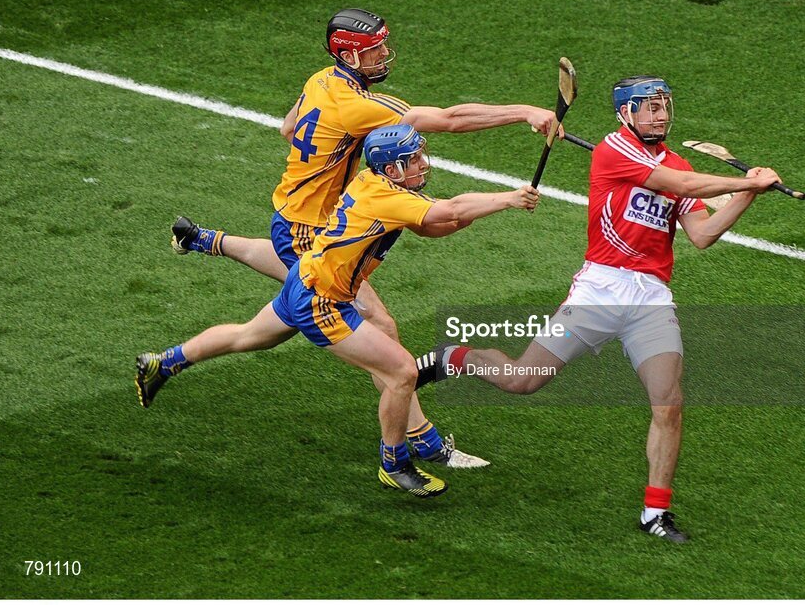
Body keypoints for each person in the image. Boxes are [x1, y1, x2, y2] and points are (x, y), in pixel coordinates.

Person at [163, 8, 558, 468]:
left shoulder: (320, 81)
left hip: (293, 213)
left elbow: (288, 127)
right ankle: (418, 444)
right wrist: (525, 113)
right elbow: (447, 121)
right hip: (310, 231)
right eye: (375, 49)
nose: (385, 54)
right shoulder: (363, 113)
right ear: (348, 52)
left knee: (261, 333)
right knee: (385, 337)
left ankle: (196, 267)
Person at [418, 76, 781, 538]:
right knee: (522, 380)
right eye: (647, 108)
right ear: (625, 115)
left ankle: (656, 513)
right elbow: (682, 183)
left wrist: (748, 194)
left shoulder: (677, 161)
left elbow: (703, 235)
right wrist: (743, 181)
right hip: (599, 292)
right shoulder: (615, 151)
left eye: (663, 105)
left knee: (668, 403)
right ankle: (453, 357)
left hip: (651, 299)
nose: (659, 114)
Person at [137, 125, 539, 497]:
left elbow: (438, 224)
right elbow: (446, 212)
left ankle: (163, 362)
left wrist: (482, 209)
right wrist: (508, 199)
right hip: (323, 303)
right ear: (392, 169)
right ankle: (394, 464)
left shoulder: (374, 183)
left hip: (303, 283)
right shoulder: (386, 196)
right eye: (413, 159)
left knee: (247, 337)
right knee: (401, 372)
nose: (422, 164)